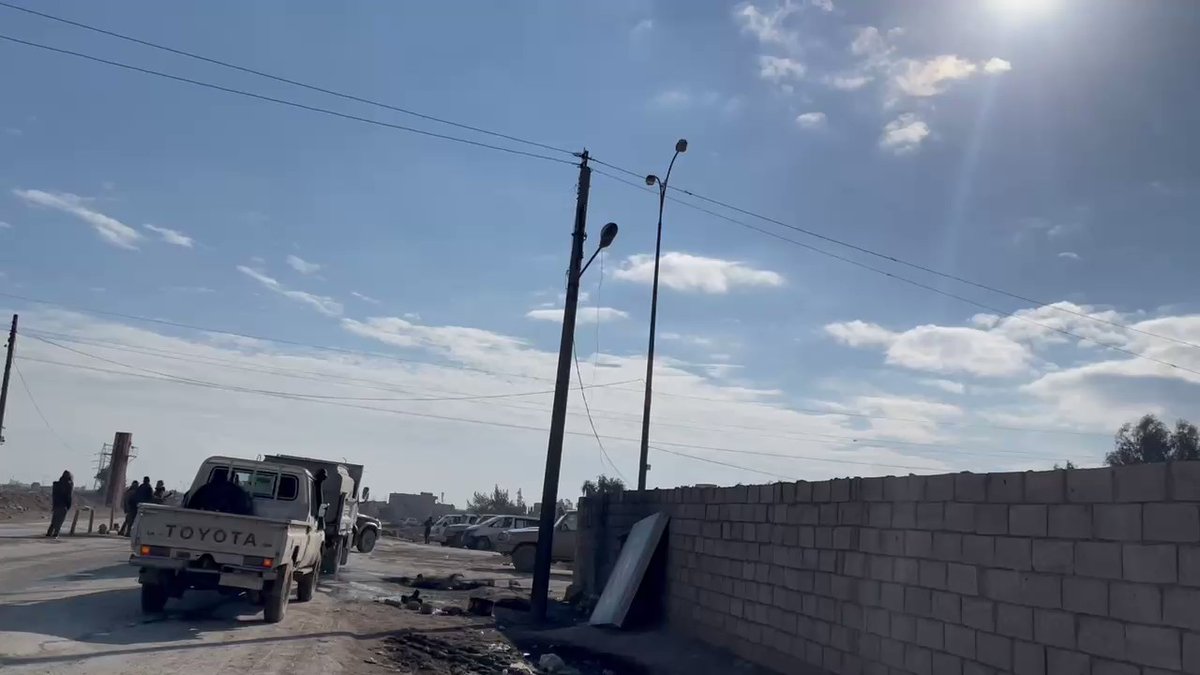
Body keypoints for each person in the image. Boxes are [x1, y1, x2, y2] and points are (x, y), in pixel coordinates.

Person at [186, 470, 253, 515]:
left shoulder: (204, 489)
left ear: (214, 475)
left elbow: (191, 507)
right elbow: (245, 510)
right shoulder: (237, 491)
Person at [46, 470, 74, 538]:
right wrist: (68, 506)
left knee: (54, 520)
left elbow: (54, 495)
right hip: (63, 505)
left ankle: (49, 532)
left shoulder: (57, 484)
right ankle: (56, 533)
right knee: (60, 520)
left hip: (56, 504)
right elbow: (69, 496)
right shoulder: (68, 485)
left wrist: (54, 505)